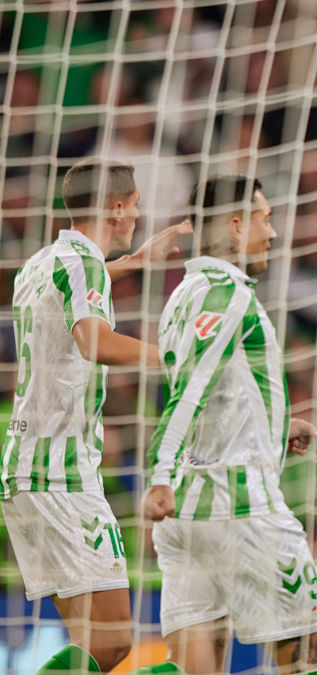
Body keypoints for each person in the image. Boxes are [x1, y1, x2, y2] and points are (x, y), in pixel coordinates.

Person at [1, 158, 189, 673]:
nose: (138, 215)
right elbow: (93, 342)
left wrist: (133, 263)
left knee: (92, 646)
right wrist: (175, 357)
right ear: (118, 207)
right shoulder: (81, 265)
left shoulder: (41, 263)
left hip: (24, 470)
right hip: (59, 474)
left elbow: (70, 288)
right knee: (111, 644)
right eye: (136, 205)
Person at [141, 175, 317, 674]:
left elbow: (216, 391)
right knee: (309, 661)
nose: (272, 233)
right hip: (241, 508)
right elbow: (192, 389)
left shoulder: (182, 296)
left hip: (187, 514)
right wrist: (158, 474)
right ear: (233, 225)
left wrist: (277, 428)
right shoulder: (230, 294)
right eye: (263, 219)